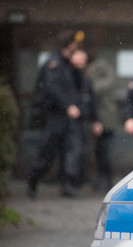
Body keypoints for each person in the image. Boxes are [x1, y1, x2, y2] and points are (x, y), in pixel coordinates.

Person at [27, 30, 81, 198]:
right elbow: (53, 89)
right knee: (46, 153)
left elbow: (75, 88)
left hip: (65, 118)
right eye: (76, 43)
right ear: (70, 44)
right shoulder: (54, 63)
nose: (78, 47)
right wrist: (68, 107)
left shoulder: (67, 64)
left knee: (67, 153)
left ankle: (65, 188)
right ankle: (32, 183)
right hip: (54, 117)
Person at [70, 49, 103, 187]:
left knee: (83, 153)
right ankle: (70, 184)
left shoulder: (86, 80)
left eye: (84, 60)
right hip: (69, 122)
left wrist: (97, 120)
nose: (81, 63)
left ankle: (77, 183)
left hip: (83, 121)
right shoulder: (67, 75)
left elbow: (92, 102)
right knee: (73, 152)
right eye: (79, 59)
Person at [88, 58, 118, 191]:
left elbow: (94, 90)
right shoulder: (108, 79)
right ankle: (104, 179)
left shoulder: (103, 82)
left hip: (105, 120)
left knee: (103, 151)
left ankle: (107, 180)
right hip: (106, 119)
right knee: (101, 151)